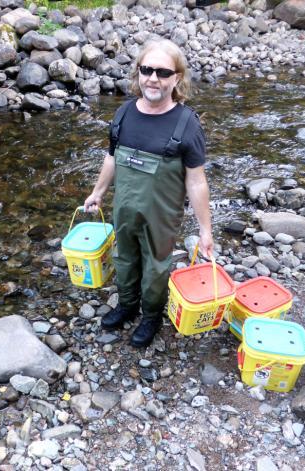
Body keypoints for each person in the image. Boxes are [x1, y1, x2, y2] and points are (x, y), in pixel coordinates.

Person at [83, 39, 214, 348]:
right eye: (147, 70)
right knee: (124, 258)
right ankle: (127, 305)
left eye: (163, 72)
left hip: (161, 216)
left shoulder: (187, 124)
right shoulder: (124, 114)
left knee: (156, 267)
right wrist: (97, 192)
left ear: (177, 78)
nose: (153, 78)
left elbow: (196, 182)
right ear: (138, 73)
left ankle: (151, 315)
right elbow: (112, 158)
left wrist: (205, 230)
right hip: (125, 209)